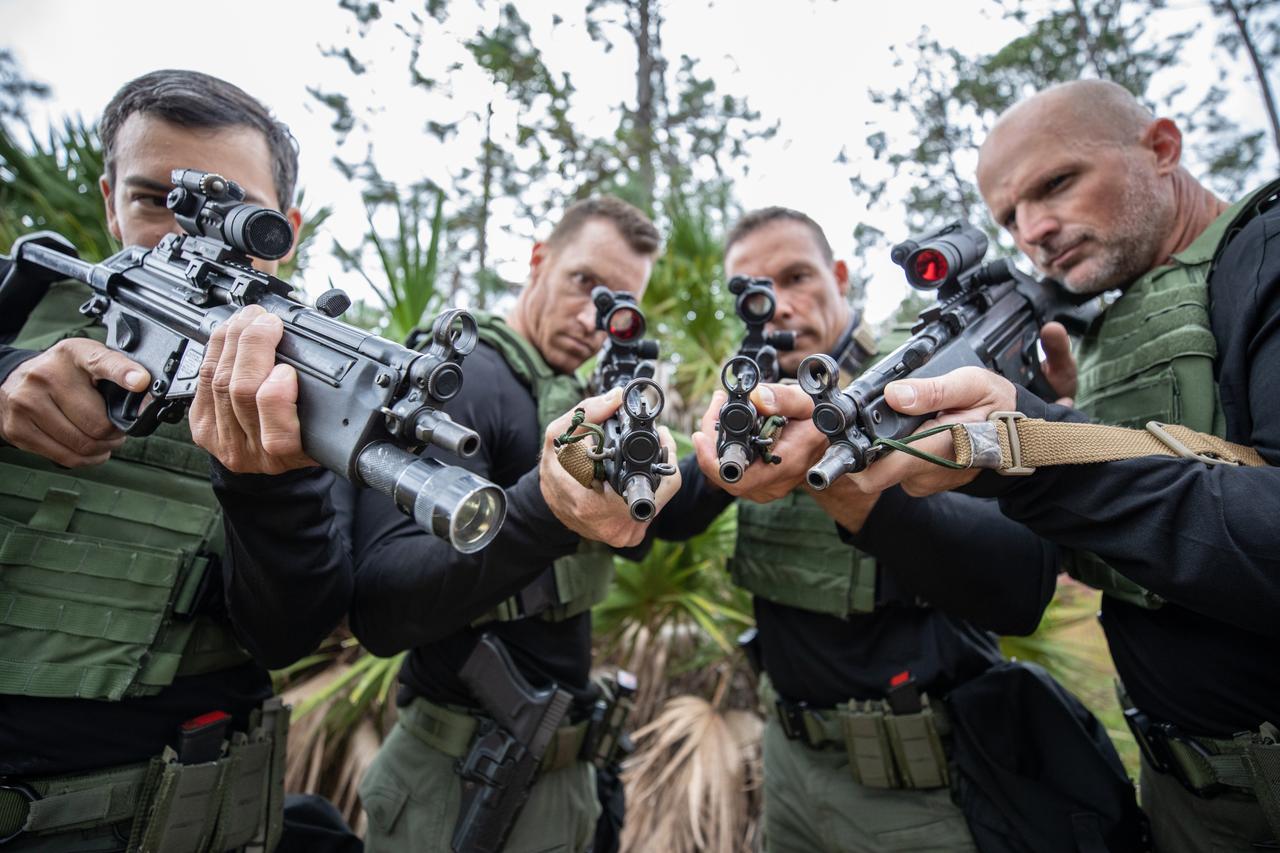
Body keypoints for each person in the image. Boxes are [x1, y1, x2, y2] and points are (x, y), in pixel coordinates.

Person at [840, 79, 1280, 852]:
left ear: (1162, 147)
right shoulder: (1114, 322)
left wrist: (1037, 449)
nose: (1035, 229)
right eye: (1009, 217)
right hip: (1191, 795)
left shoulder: (1264, 259)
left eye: (1058, 183)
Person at [189, 196, 682, 852]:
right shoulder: (470, 377)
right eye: (585, 282)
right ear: (538, 261)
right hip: (464, 779)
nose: (595, 316)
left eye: (619, 300)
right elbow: (381, 600)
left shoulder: (567, 397)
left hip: (555, 775)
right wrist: (547, 508)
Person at [0, 69, 357, 852]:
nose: (188, 232)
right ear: (107, 200)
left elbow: (286, 633)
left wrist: (273, 490)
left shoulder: (317, 375)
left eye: (231, 210)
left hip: (185, 813)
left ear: (282, 226)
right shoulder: (24, 298)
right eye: (154, 199)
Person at [646, 207, 1062, 852]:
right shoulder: (753, 400)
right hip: (787, 766)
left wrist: (848, 486)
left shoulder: (932, 373)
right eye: (755, 293)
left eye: (796, 277)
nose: (778, 306)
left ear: (839, 275)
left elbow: (1018, 583)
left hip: (926, 780)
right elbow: (671, 515)